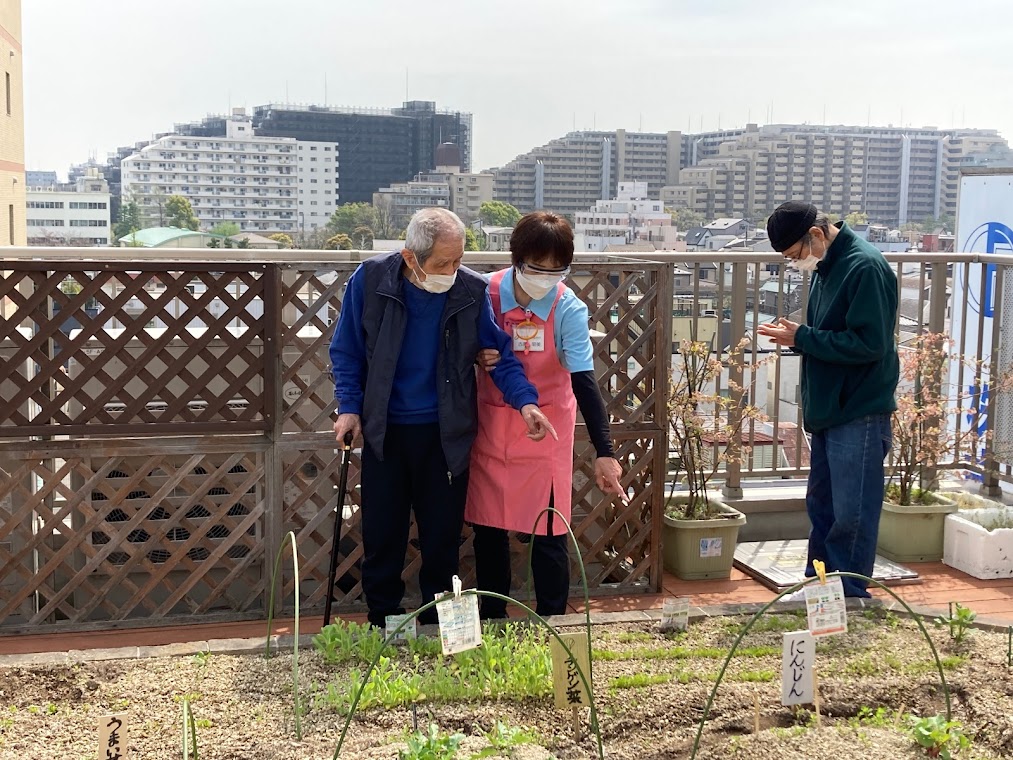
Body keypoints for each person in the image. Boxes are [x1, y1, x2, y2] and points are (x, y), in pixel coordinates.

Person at [329, 207, 556, 628]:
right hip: (385, 430)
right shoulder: (371, 280)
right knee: (383, 536)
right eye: (444, 263)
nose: (454, 269)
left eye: (459, 259)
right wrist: (349, 408)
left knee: (441, 542)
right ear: (411, 258)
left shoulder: (469, 289)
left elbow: (500, 356)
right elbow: (346, 351)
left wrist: (526, 403)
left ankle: (436, 629)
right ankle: (383, 622)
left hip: (445, 433)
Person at [467, 211, 625, 619]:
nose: (548, 276)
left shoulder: (566, 306)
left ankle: (552, 619)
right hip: (491, 422)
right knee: (488, 528)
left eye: (559, 269)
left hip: (546, 427)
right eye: (538, 268)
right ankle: (493, 618)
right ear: (516, 259)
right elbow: (456, 345)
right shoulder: (486, 292)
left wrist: (604, 451)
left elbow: (585, 381)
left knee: (549, 529)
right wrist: (476, 354)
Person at [757, 201, 899, 598]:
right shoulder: (828, 265)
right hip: (829, 407)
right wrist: (799, 336)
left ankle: (850, 593)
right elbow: (830, 335)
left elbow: (870, 345)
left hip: (858, 407)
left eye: (794, 255)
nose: (795, 263)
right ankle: (819, 586)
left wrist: (801, 337)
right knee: (822, 506)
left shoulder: (864, 267)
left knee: (851, 512)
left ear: (817, 235)